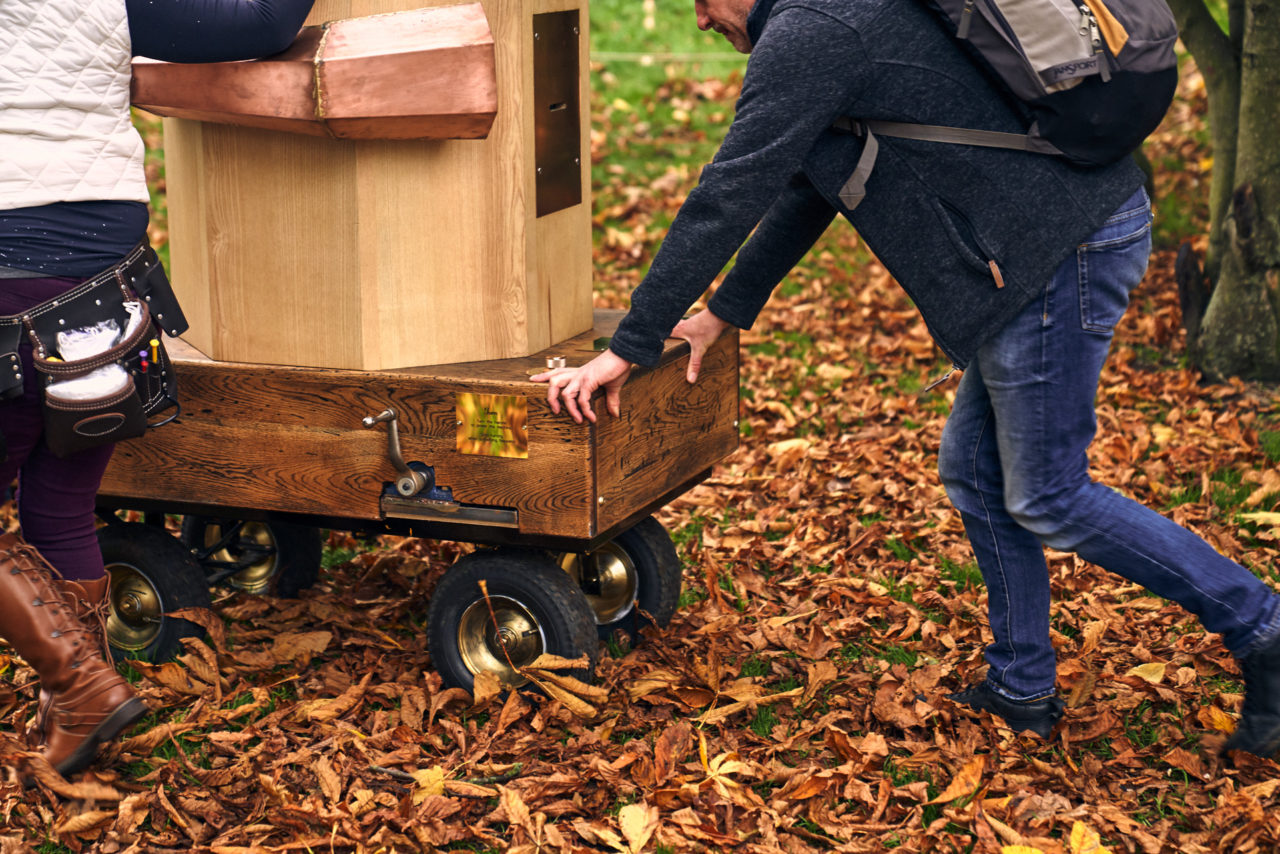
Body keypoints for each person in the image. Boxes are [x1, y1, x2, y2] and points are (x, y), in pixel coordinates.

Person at [534, 0, 1280, 757]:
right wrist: (723, 311)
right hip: (1042, 248)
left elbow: (729, 191)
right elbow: (808, 184)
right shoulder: (822, 21)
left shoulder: (809, 34)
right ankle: (1022, 688)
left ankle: (1264, 627)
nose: (700, 20)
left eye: (700, 2)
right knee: (977, 473)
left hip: (1058, 251)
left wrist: (629, 345)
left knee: (1048, 493)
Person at [0, 0, 315, 777]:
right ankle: (78, 716)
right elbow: (256, 27)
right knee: (60, 503)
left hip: (12, 271)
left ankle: (79, 689)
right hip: (107, 276)